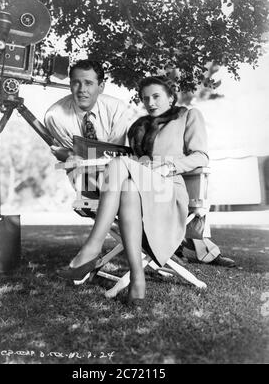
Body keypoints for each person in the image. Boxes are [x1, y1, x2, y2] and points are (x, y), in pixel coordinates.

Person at [58, 76, 212, 304]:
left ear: (170, 97)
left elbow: (201, 156)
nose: (150, 102)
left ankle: (92, 248)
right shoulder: (139, 127)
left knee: (119, 164)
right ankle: (138, 280)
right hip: (141, 185)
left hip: (169, 188)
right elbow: (134, 162)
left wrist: (168, 166)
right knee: (128, 185)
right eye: (145, 98)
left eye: (156, 96)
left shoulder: (188, 116)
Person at [44, 59, 133, 163]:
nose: (82, 89)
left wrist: (72, 157)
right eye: (76, 83)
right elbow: (75, 161)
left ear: (101, 87)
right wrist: (73, 158)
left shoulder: (117, 109)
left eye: (88, 83)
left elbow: (115, 159)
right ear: (70, 86)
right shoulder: (55, 116)